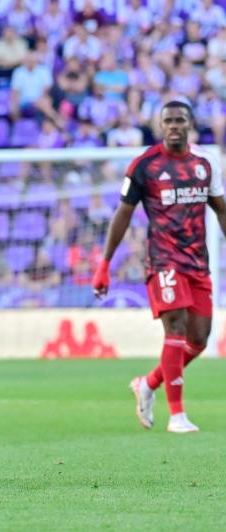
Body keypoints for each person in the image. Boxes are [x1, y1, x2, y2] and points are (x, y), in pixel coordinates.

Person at [92, 101, 226, 433]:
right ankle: (177, 415)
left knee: (199, 340)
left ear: (191, 124)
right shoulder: (145, 166)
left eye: (180, 120)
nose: (174, 126)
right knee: (176, 327)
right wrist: (105, 264)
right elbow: (122, 215)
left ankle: (148, 383)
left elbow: (221, 208)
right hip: (163, 260)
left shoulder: (206, 162)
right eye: (168, 121)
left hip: (198, 262)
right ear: (160, 126)